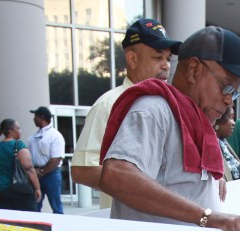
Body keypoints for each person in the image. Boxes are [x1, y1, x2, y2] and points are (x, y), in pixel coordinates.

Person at [98, 25, 240, 231]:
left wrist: (213, 186)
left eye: (234, 93)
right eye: (226, 86)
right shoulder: (154, 111)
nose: (229, 100)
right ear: (194, 69)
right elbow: (117, 175)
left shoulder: (197, 124)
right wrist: (208, 216)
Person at [71, 18, 181, 209]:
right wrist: (140, 188)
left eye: (168, 58)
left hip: (165, 225)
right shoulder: (108, 104)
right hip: (126, 227)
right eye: (157, 57)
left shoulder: (172, 105)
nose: (166, 65)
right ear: (132, 59)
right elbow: (82, 169)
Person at [0, 118, 41, 211]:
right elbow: (29, 168)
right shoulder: (18, 145)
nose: (20, 131)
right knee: (28, 219)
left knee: (9, 220)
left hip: (2, 189)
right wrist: (37, 188)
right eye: (18, 128)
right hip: (21, 187)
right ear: (10, 130)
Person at [28, 106, 65, 214]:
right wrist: (35, 172)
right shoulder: (33, 137)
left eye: (35, 116)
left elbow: (56, 159)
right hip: (36, 173)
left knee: (56, 205)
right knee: (35, 205)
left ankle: (60, 227)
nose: (34, 119)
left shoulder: (55, 135)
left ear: (42, 117)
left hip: (51, 174)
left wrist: (42, 172)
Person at [215, 107, 240, 182]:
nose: (233, 123)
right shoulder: (210, 148)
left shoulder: (224, 145)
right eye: (230, 117)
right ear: (217, 122)